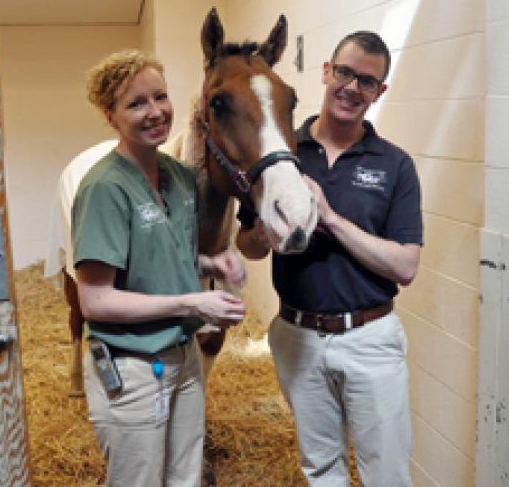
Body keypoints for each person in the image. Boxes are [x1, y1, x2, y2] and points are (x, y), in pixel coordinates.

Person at [236, 32, 422, 486]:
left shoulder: (395, 164)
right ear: (326, 71)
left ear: (380, 92)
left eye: (367, 81)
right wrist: (262, 233)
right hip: (298, 337)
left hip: (369, 338)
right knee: (321, 469)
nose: (352, 87)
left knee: (387, 475)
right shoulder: (282, 154)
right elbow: (247, 244)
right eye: (344, 72)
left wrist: (332, 220)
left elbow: (405, 266)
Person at [72, 49, 246, 487]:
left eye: (160, 97)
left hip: (183, 358)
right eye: (136, 104)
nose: (155, 113)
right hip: (132, 366)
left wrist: (211, 262)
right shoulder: (103, 189)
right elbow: (95, 300)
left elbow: (165, 254)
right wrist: (193, 301)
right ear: (111, 116)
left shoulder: (181, 178)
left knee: (185, 478)